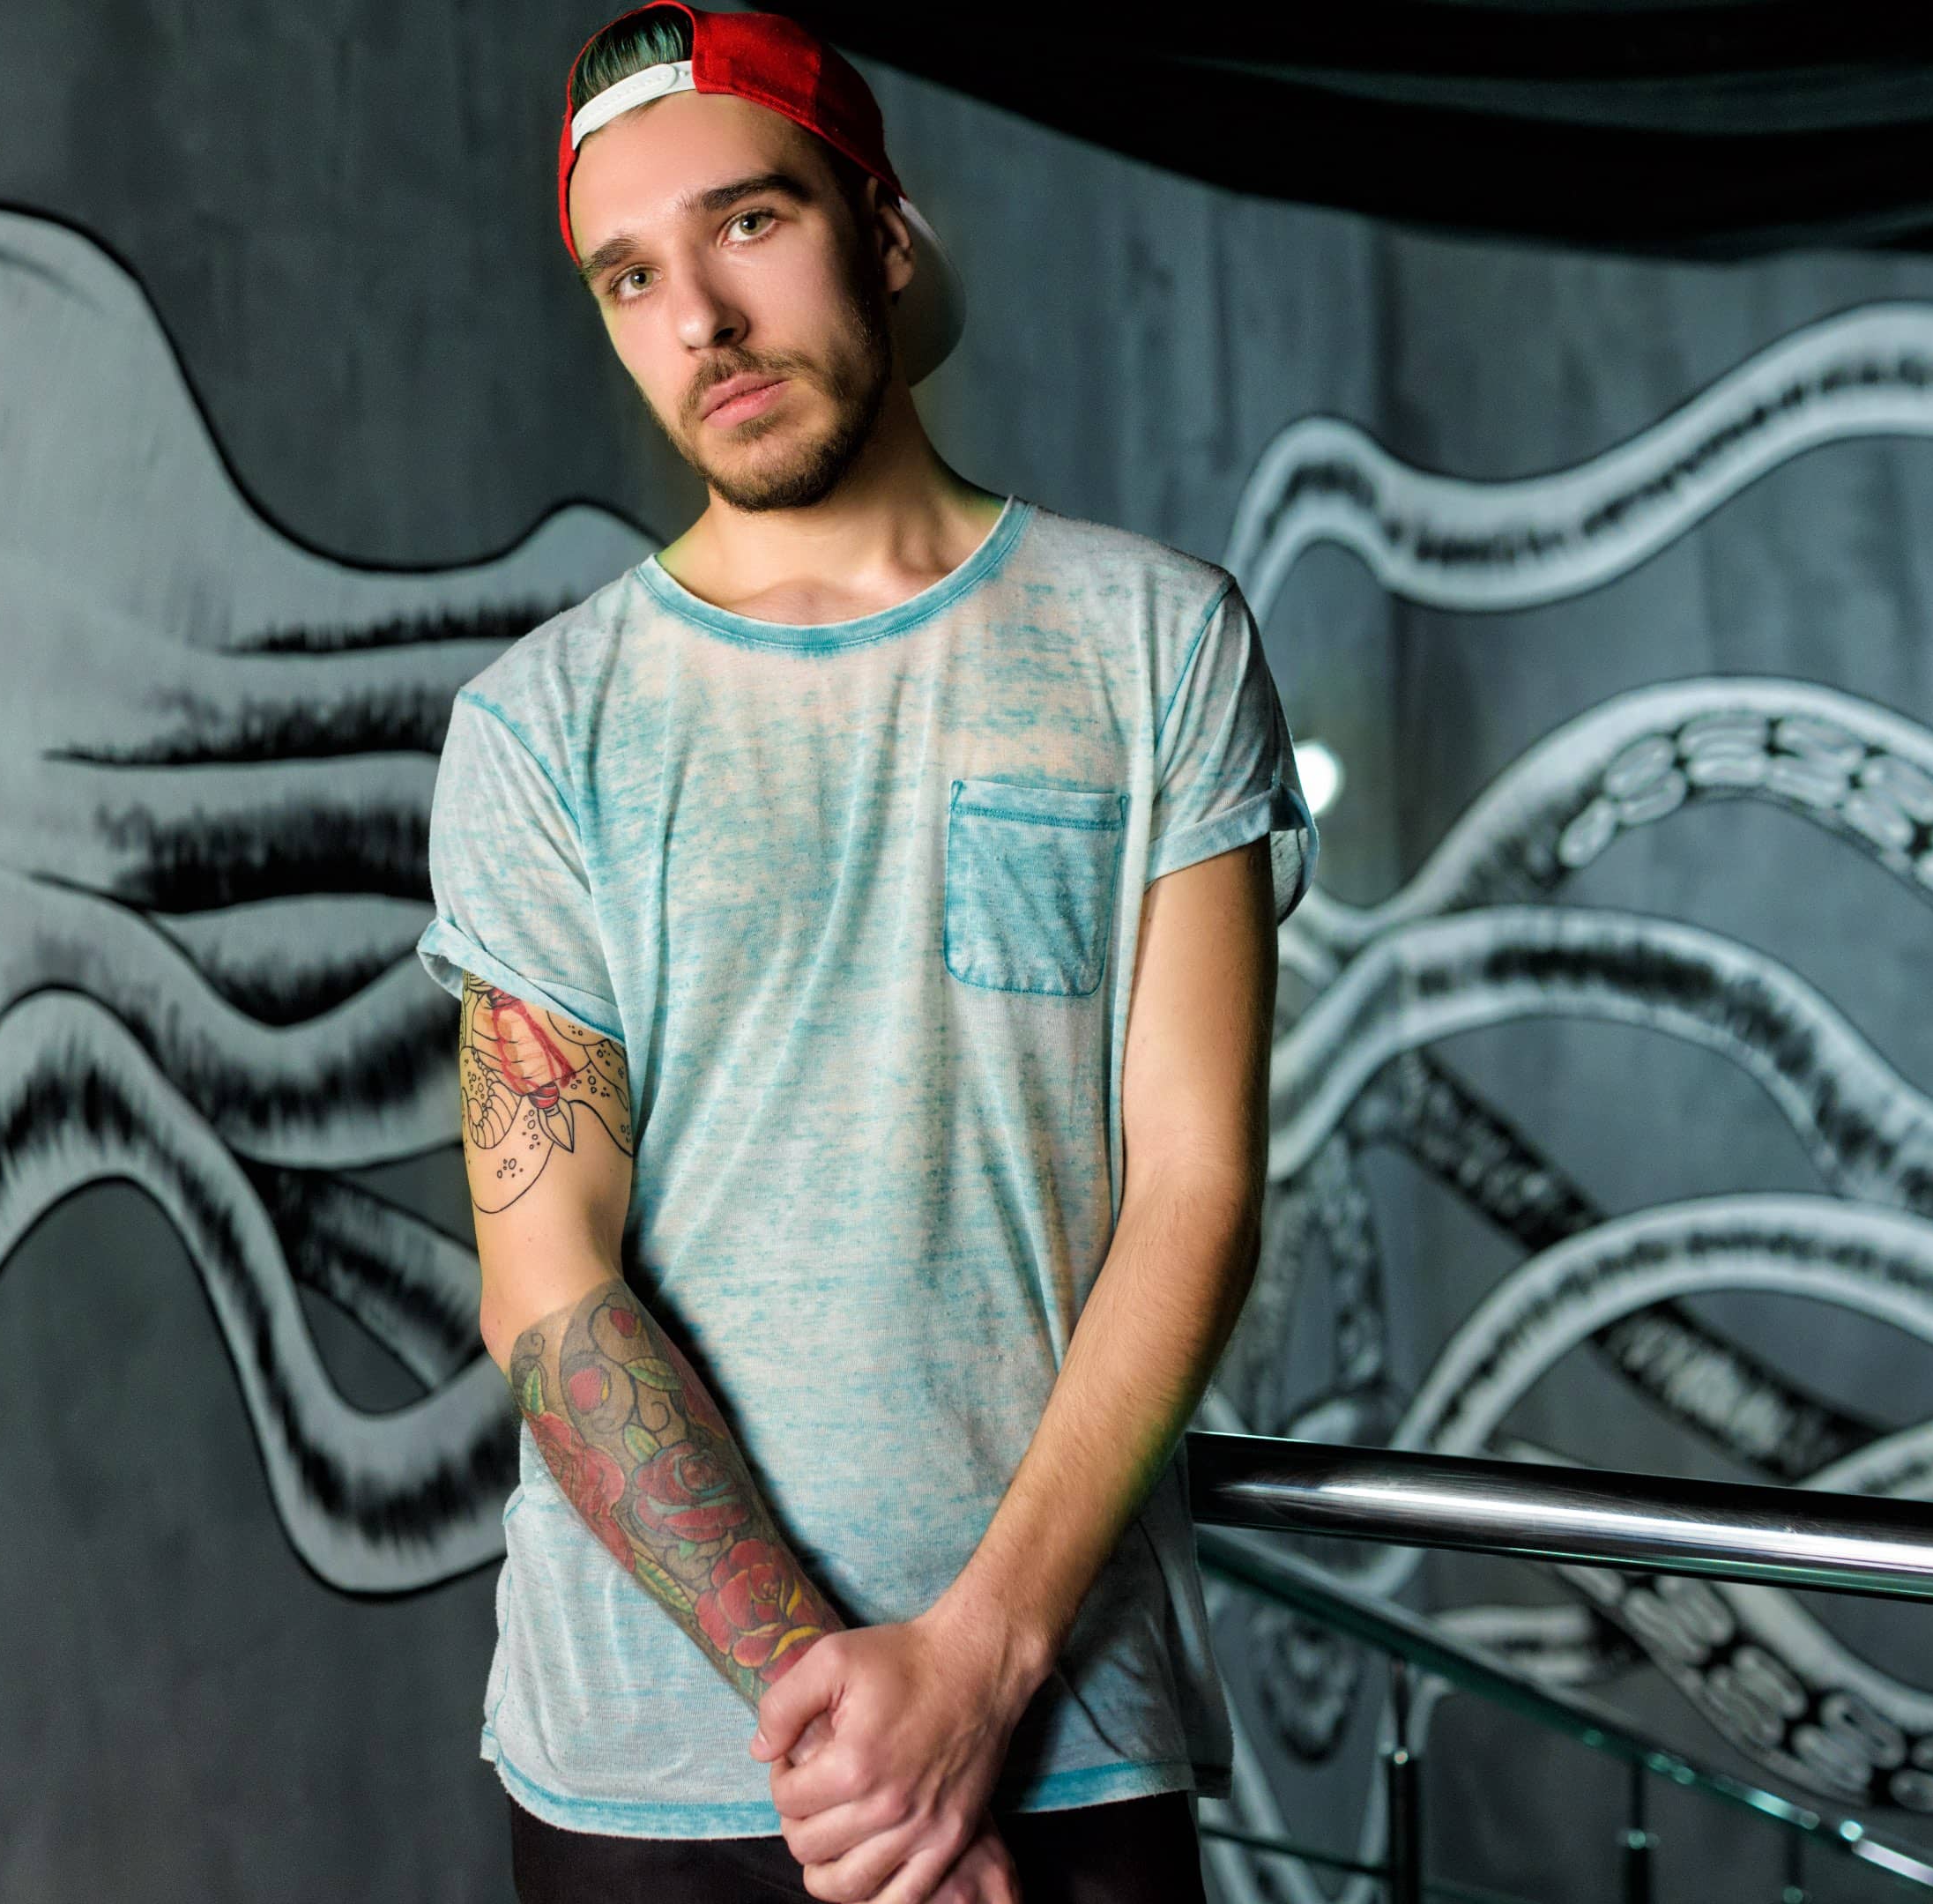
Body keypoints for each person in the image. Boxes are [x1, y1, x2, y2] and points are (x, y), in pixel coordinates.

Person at [415, 6, 1319, 1900]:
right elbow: (550, 1288)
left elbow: (1198, 1189)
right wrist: (858, 1746)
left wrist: (975, 1676)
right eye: (630, 277)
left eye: (749, 223)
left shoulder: (1155, 644)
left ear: (883, 235)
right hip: (650, 1776)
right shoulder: (539, 731)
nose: (700, 320)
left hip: (1057, 1735)